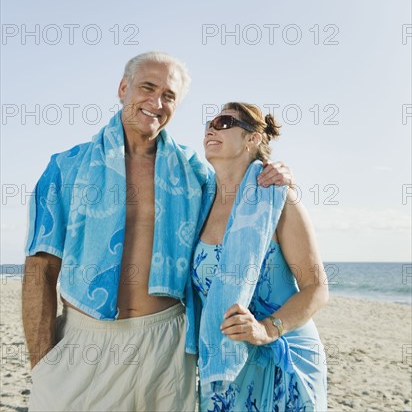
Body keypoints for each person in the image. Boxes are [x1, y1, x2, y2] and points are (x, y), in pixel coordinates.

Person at [22, 52, 293, 412]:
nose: (156, 102)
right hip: (85, 341)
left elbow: (239, 193)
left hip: (167, 344)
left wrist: (273, 172)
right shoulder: (66, 167)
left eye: (169, 96)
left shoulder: (194, 172)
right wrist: (41, 363)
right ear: (123, 88)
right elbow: (40, 268)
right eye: (147, 88)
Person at [186, 102, 328, 411]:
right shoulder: (199, 202)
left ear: (252, 139)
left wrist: (266, 329)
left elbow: (317, 288)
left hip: (284, 357)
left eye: (224, 122)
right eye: (209, 123)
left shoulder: (278, 199)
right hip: (225, 364)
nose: (211, 128)